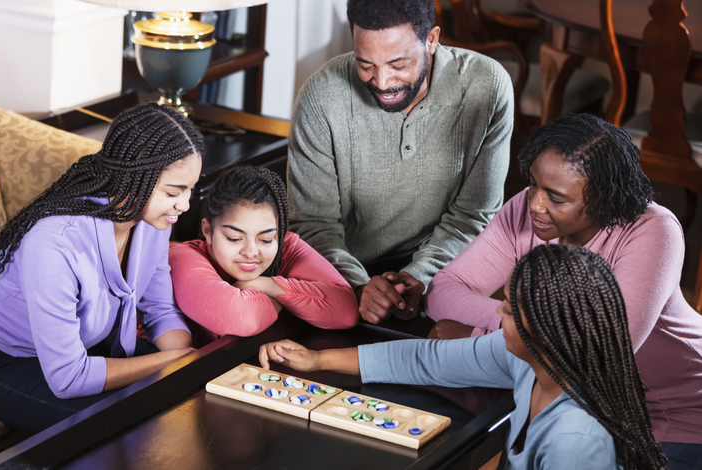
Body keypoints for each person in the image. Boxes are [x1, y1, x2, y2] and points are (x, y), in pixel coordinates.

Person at [426, 113, 702, 468]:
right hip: (582, 408)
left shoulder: (653, 230)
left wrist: (483, 334)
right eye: (534, 184)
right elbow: (443, 292)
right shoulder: (529, 209)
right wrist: (506, 330)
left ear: (604, 199)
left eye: (555, 197)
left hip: (674, 417)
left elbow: (599, 353)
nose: (535, 204)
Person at [260, 245, 668, 469]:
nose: (497, 314)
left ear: (544, 331)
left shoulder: (576, 442)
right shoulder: (530, 362)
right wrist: (317, 362)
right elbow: (428, 360)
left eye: (509, 309)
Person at [0, 103, 201, 432]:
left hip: (79, 346)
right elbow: (68, 379)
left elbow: (158, 309)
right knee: (126, 430)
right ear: (133, 177)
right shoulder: (55, 244)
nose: (184, 205)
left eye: (190, 189)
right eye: (174, 191)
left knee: (190, 397)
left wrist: (188, 363)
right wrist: (170, 361)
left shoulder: (153, 223)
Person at [287, 0, 513, 325]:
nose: (382, 81)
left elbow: (473, 216)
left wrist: (417, 278)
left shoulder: (487, 86)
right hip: (338, 269)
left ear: (431, 40)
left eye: (398, 64)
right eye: (365, 64)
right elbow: (312, 224)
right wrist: (359, 286)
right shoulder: (321, 95)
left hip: (440, 265)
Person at [169, 166, 358, 343]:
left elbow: (346, 311)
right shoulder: (180, 258)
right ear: (208, 231)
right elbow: (241, 317)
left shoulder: (286, 247)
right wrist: (286, 302)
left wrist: (269, 285)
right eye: (234, 238)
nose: (251, 252)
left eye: (266, 239)